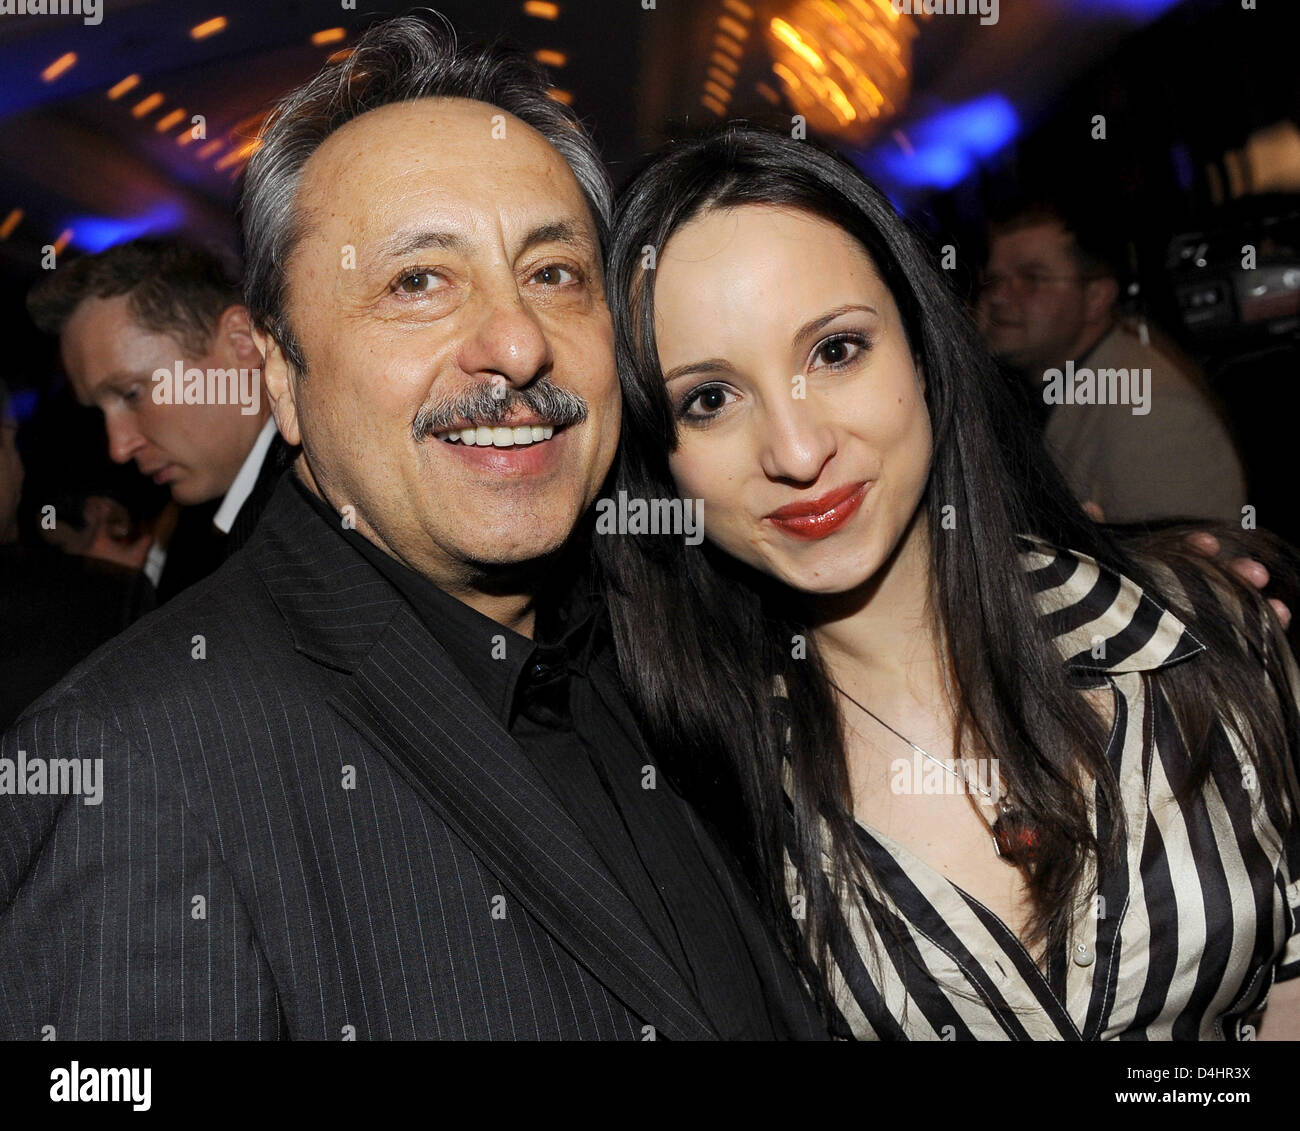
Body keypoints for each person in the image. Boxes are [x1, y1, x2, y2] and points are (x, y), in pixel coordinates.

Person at [0, 16, 825, 1041]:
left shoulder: (666, 648)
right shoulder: (141, 764)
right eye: (416, 282)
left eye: (554, 273)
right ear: (280, 375)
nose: (518, 341)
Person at [599, 126, 1300, 1040]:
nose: (799, 450)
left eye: (837, 350)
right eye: (709, 398)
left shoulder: (1200, 632)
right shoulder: (694, 792)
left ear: (924, 349)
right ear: (662, 462)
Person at [26, 238, 290, 599]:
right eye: (99, 412)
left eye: (132, 393)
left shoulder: (316, 520)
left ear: (241, 341)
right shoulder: (207, 525)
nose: (119, 448)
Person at [977, 202, 1247, 525]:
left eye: (1032, 278)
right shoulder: (1050, 389)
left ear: (1096, 298)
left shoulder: (1151, 408)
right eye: (993, 280)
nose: (997, 298)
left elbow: (1186, 564)